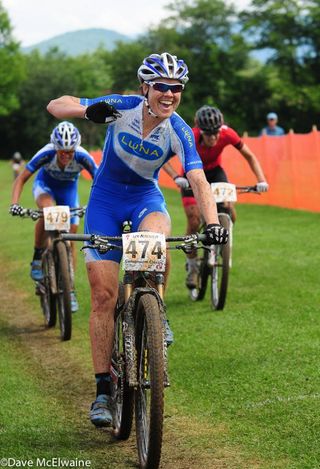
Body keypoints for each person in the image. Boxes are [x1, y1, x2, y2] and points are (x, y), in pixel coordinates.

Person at [46, 52, 228, 428]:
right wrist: (87, 111)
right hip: (106, 201)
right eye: (162, 86)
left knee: (158, 235)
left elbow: (198, 181)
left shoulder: (178, 129)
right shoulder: (122, 107)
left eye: (176, 88)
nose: (169, 94)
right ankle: (101, 390)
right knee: (102, 296)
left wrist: (211, 223)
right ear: (146, 87)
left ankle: (154, 309)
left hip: (146, 198)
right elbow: (56, 105)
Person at [163, 105, 269, 289]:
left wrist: (261, 179)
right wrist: (176, 176)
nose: (213, 137)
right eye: (208, 134)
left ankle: (221, 247)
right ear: (200, 130)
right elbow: (162, 157)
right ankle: (193, 264)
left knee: (229, 210)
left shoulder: (228, 134)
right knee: (194, 219)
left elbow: (249, 156)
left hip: (215, 173)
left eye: (216, 133)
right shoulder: (191, 136)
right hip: (192, 175)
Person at [9, 121, 98, 311]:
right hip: (45, 187)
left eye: (70, 151)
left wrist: (99, 205)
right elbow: (21, 179)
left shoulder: (83, 156)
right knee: (48, 210)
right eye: (62, 151)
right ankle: (38, 255)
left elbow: (101, 182)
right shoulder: (46, 153)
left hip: (68, 192)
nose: (66, 155)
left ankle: (70, 289)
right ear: (55, 147)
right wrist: (14, 204)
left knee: (70, 238)